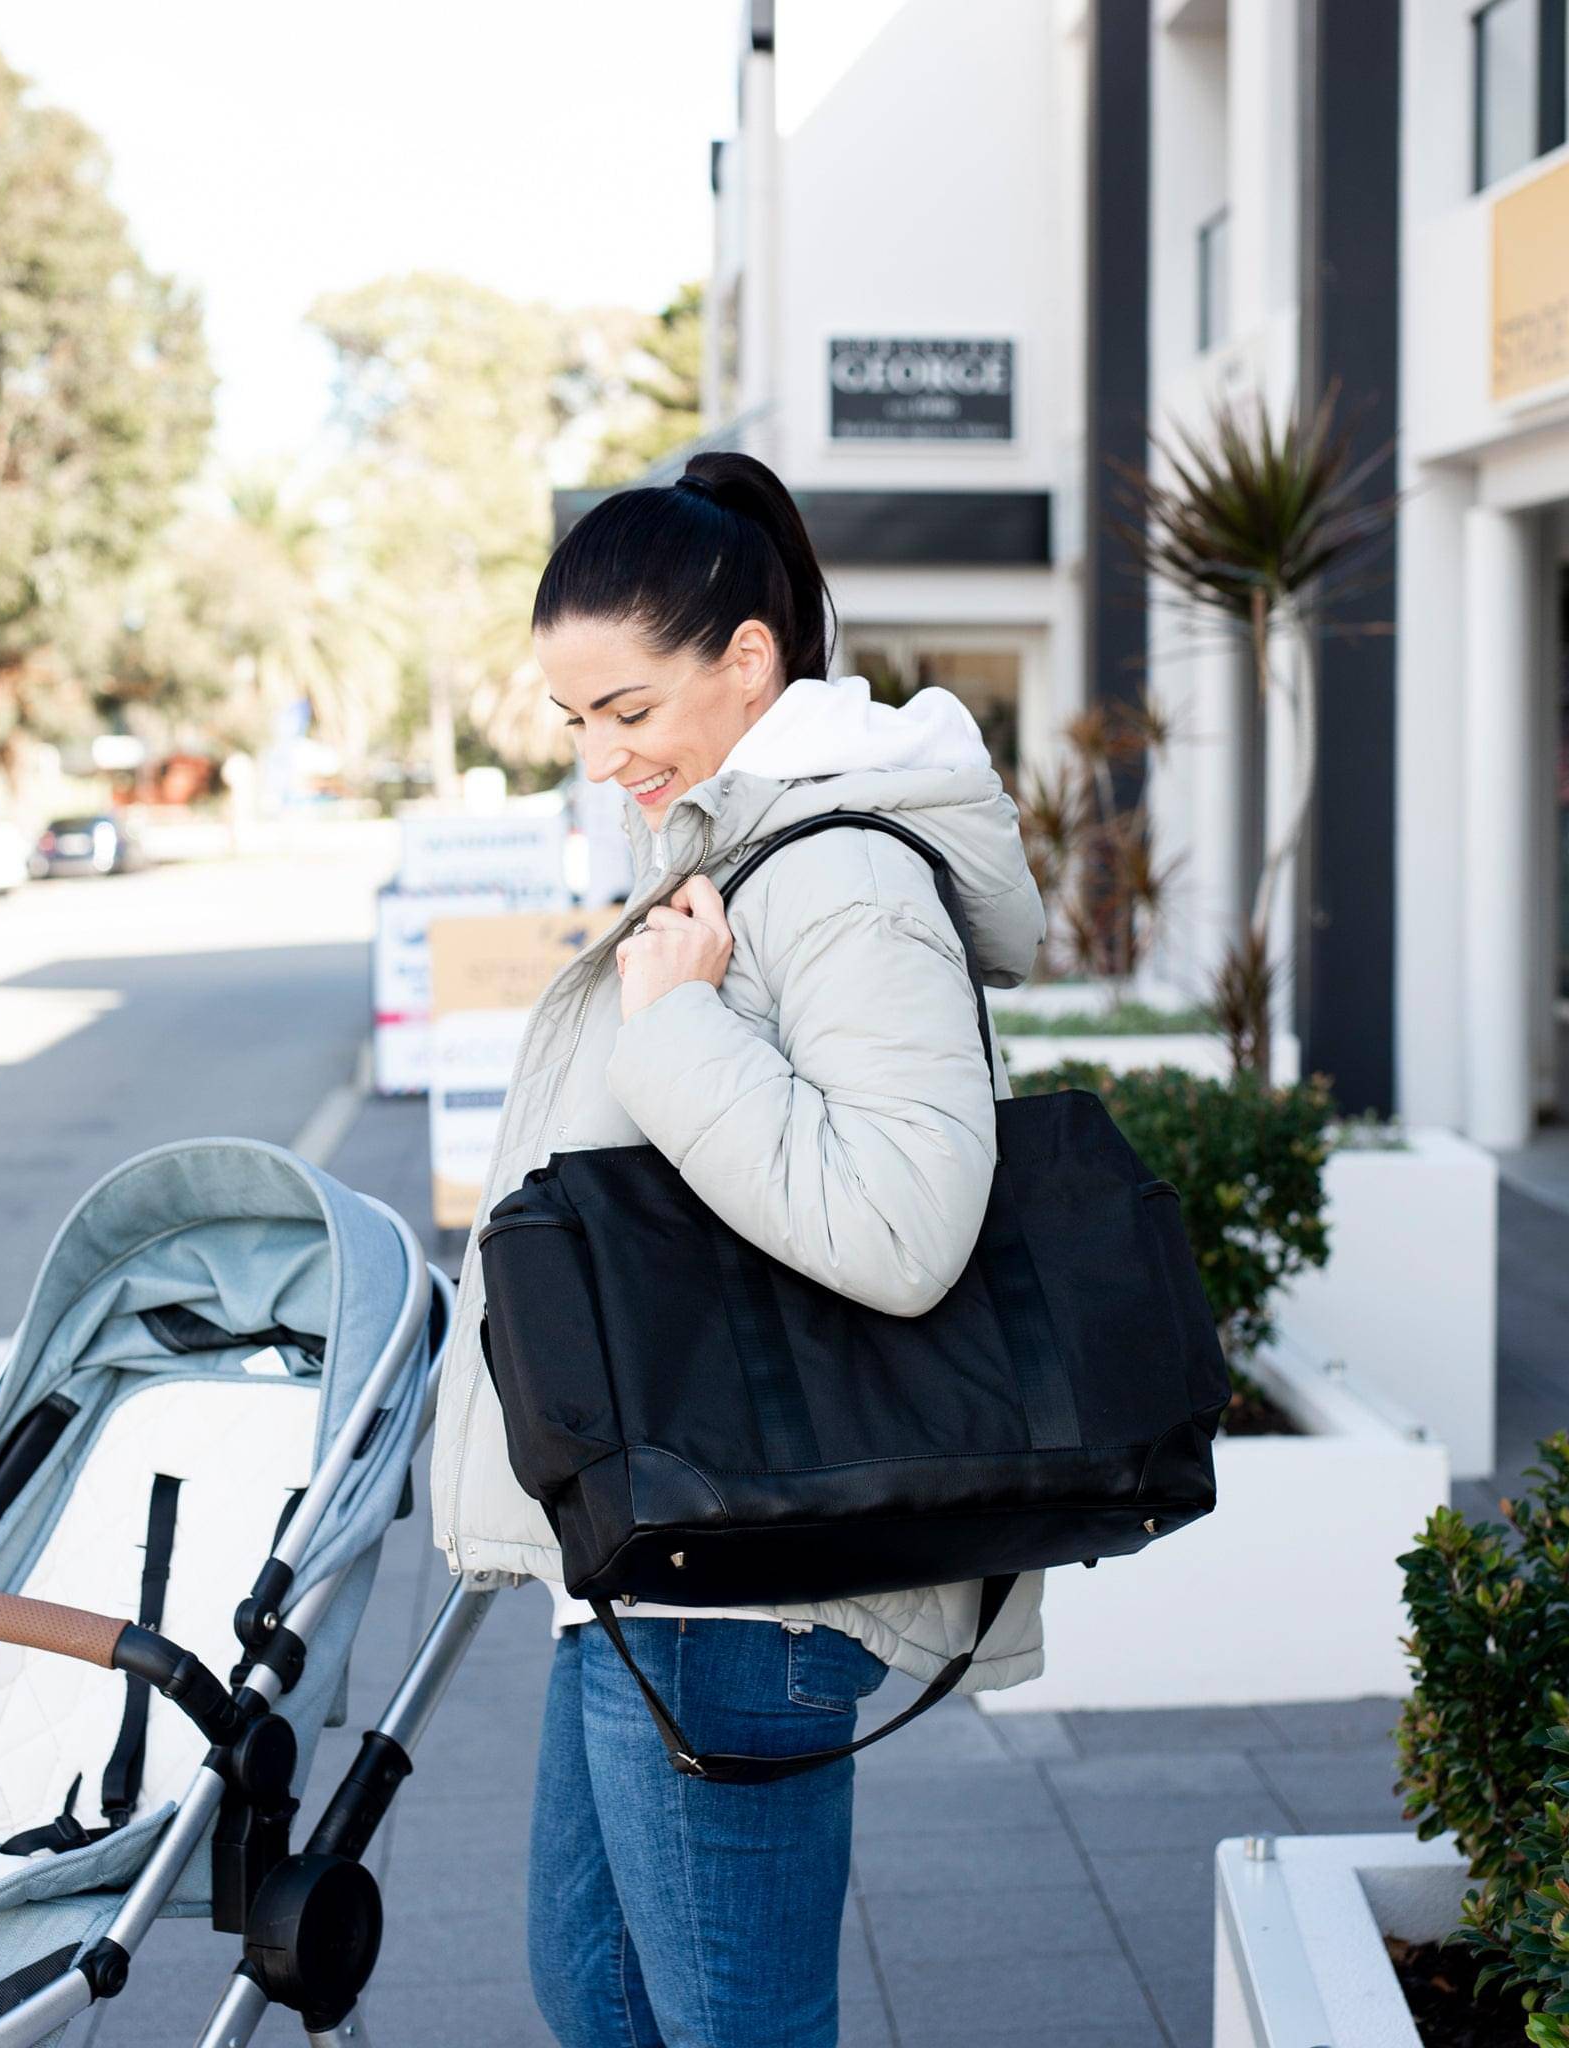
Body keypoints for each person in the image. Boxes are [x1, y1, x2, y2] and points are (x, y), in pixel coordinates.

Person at [426, 451, 1050, 2047]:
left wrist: (679, 1031)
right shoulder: (731, 850)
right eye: (576, 724)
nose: (597, 757)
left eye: (627, 712)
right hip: (654, 1555)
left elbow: (908, 1226)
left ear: (750, 660)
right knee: (602, 1997)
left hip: (747, 1572)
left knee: (727, 2027)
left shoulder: (837, 872)